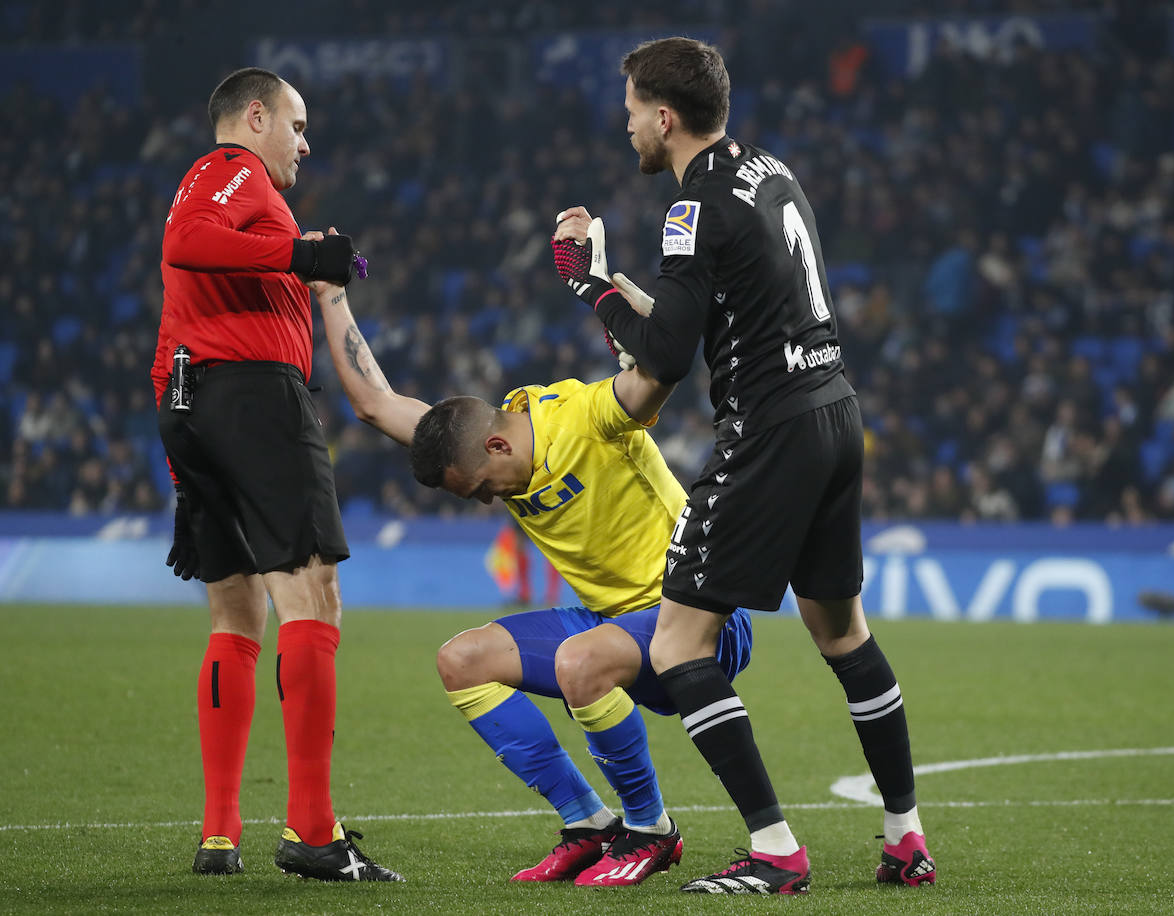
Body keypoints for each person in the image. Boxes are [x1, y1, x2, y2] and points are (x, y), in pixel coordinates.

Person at [551, 37, 935, 895]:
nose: (626, 128)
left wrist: (586, 284)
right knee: (842, 633)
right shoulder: (769, 170)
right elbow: (697, 319)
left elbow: (662, 361)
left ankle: (776, 850)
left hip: (770, 432)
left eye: (630, 112)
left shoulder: (690, 210)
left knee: (679, 642)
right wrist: (620, 288)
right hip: (834, 410)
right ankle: (906, 839)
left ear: (664, 117)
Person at [305, 259, 753, 887]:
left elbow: (662, 371)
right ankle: (588, 823)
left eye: (482, 488)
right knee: (462, 660)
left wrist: (607, 290)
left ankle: (651, 831)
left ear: (497, 446)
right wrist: (329, 292)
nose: (489, 501)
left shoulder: (586, 416)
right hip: (612, 625)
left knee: (580, 662)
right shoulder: (482, 443)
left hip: (697, 616)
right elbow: (376, 405)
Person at [153, 67, 401, 881]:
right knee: (312, 594)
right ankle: (313, 832)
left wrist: (303, 264)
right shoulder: (232, 168)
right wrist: (299, 250)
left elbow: (192, 285)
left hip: (191, 397)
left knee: (235, 611)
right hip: (253, 395)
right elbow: (185, 243)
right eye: (297, 125)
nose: (305, 143)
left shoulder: (233, 190)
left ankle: (219, 834)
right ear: (254, 116)